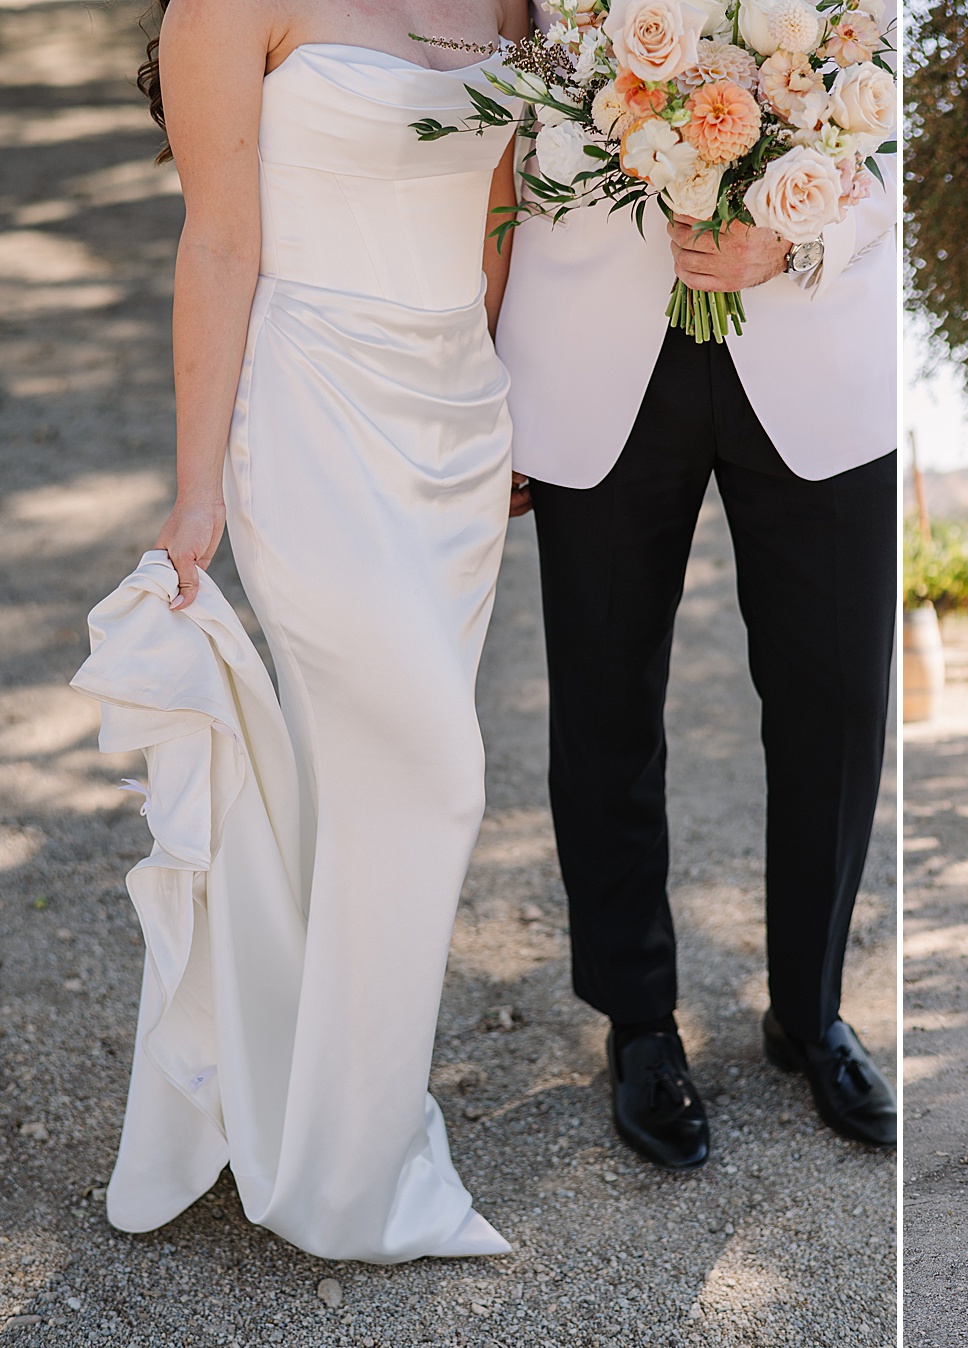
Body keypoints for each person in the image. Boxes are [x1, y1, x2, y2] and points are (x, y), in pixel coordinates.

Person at [106, 0, 529, 1261]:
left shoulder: (508, 1)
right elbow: (220, 247)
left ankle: (341, 1109)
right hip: (314, 412)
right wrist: (196, 493)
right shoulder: (228, 9)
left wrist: (511, 390)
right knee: (437, 778)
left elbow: (503, 213)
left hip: (460, 427)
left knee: (372, 794)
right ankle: (349, 1183)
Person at [493, 3, 899, 1167]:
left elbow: (909, 141)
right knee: (606, 697)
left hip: (820, 351)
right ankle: (637, 1024)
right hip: (590, 356)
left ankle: (809, 1009)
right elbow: (509, 131)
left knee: (834, 699)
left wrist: (803, 234)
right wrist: (484, 378)